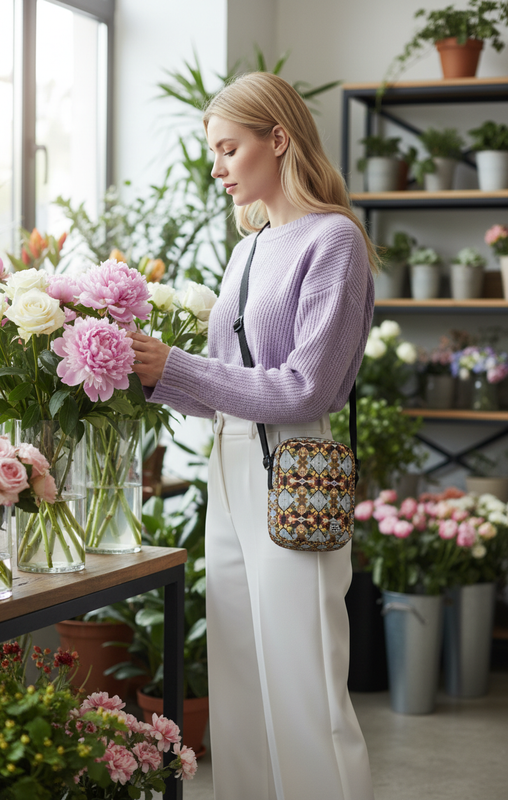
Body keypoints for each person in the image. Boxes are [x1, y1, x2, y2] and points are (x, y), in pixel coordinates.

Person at [129, 71, 376, 800]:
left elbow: (304, 386)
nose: (216, 167)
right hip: (231, 464)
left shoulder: (332, 241)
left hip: (294, 462)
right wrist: (151, 373)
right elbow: (227, 387)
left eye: (228, 148)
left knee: (304, 683)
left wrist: (177, 367)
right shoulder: (248, 251)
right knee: (237, 674)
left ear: (277, 138)